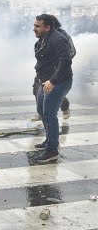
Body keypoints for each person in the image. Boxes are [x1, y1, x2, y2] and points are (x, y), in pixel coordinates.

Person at [32, 14, 73, 163]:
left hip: (58, 82)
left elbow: (66, 61)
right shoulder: (43, 39)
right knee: (41, 111)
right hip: (45, 81)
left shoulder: (58, 39)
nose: (34, 29)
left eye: (38, 26)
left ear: (47, 27)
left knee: (49, 114)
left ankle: (52, 150)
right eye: (34, 25)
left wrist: (53, 81)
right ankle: (49, 139)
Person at [31, 15, 75, 121]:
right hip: (44, 71)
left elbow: (71, 53)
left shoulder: (61, 36)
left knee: (54, 92)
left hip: (56, 72)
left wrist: (56, 65)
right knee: (37, 89)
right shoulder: (44, 35)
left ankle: (64, 107)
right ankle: (41, 112)